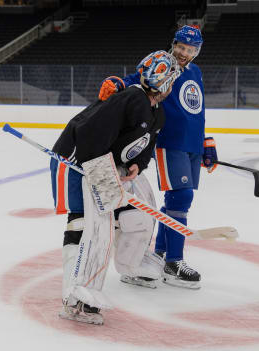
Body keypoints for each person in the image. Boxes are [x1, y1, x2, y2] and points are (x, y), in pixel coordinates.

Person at [50, 50, 182, 325]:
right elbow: (90, 134)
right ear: (165, 81)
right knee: (87, 226)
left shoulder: (156, 113)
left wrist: (138, 165)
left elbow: (145, 144)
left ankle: (131, 263)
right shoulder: (131, 98)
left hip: (104, 164)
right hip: (78, 162)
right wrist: (101, 176)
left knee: (136, 212)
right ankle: (76, 296)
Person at [98, 25, 218, 290]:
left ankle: (162, 253)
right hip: (170, 143)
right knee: (181, 196)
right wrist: (119, 83)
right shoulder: (164, 64)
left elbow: (197, 109)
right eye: (181, 47)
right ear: (174, 43)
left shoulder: (195, 72)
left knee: (177, 199)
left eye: (190, 50)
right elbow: (137, 79)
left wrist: (206, 141)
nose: (184, 53)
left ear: (197, 51)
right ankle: (175, 263)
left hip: (192, 144)